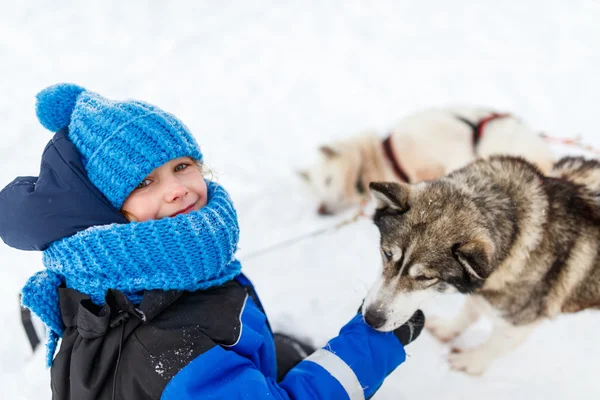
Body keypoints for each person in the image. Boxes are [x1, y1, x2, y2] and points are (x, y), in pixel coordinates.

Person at [0, 83, 425, 400]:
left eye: (182, 166)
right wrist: (373, 343)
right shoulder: (170, 350)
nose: (178, 189)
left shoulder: (132, 276)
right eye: (145, 182)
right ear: (104, 212)